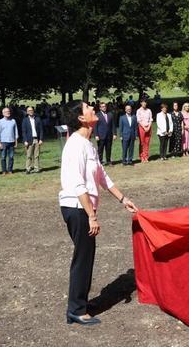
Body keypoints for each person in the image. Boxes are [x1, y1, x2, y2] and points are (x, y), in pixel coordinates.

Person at [58, 101, 138, 325]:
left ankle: (81, 303)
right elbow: (77, 184)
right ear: (82, 119)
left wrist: (123, 199)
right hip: (77, 208)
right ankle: (76, 310)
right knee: (82, 258)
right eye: (88, 108)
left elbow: (102, 176)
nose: (93, 108)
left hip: (83, 208)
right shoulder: (75, 145)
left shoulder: (87, 144)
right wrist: (91, 215)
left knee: (87, 256)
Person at [0, 107, 18, 176]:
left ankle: (10, 170)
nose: (8, 113)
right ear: (3, 113)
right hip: (3, 142)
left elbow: (16, 132)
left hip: (12, 141)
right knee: (3, 157)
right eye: (6, 112)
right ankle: (4, 171)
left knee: (11, 157)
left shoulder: (13, 121)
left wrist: (16, 142)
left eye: (9, 111)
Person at [22, 106, 44, 173]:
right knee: (29, 155)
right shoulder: (25, 120)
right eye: (29, 110)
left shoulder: (38, 119)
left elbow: (41, 130)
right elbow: (23, 131)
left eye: (31, 110)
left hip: (36, 139)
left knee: (36, 155)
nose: (31, 111)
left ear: (33, 111)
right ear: (27, 112)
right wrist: (25, 140)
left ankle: (36, 168)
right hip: (29, 140)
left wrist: (41, 139)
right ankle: (28, 168)